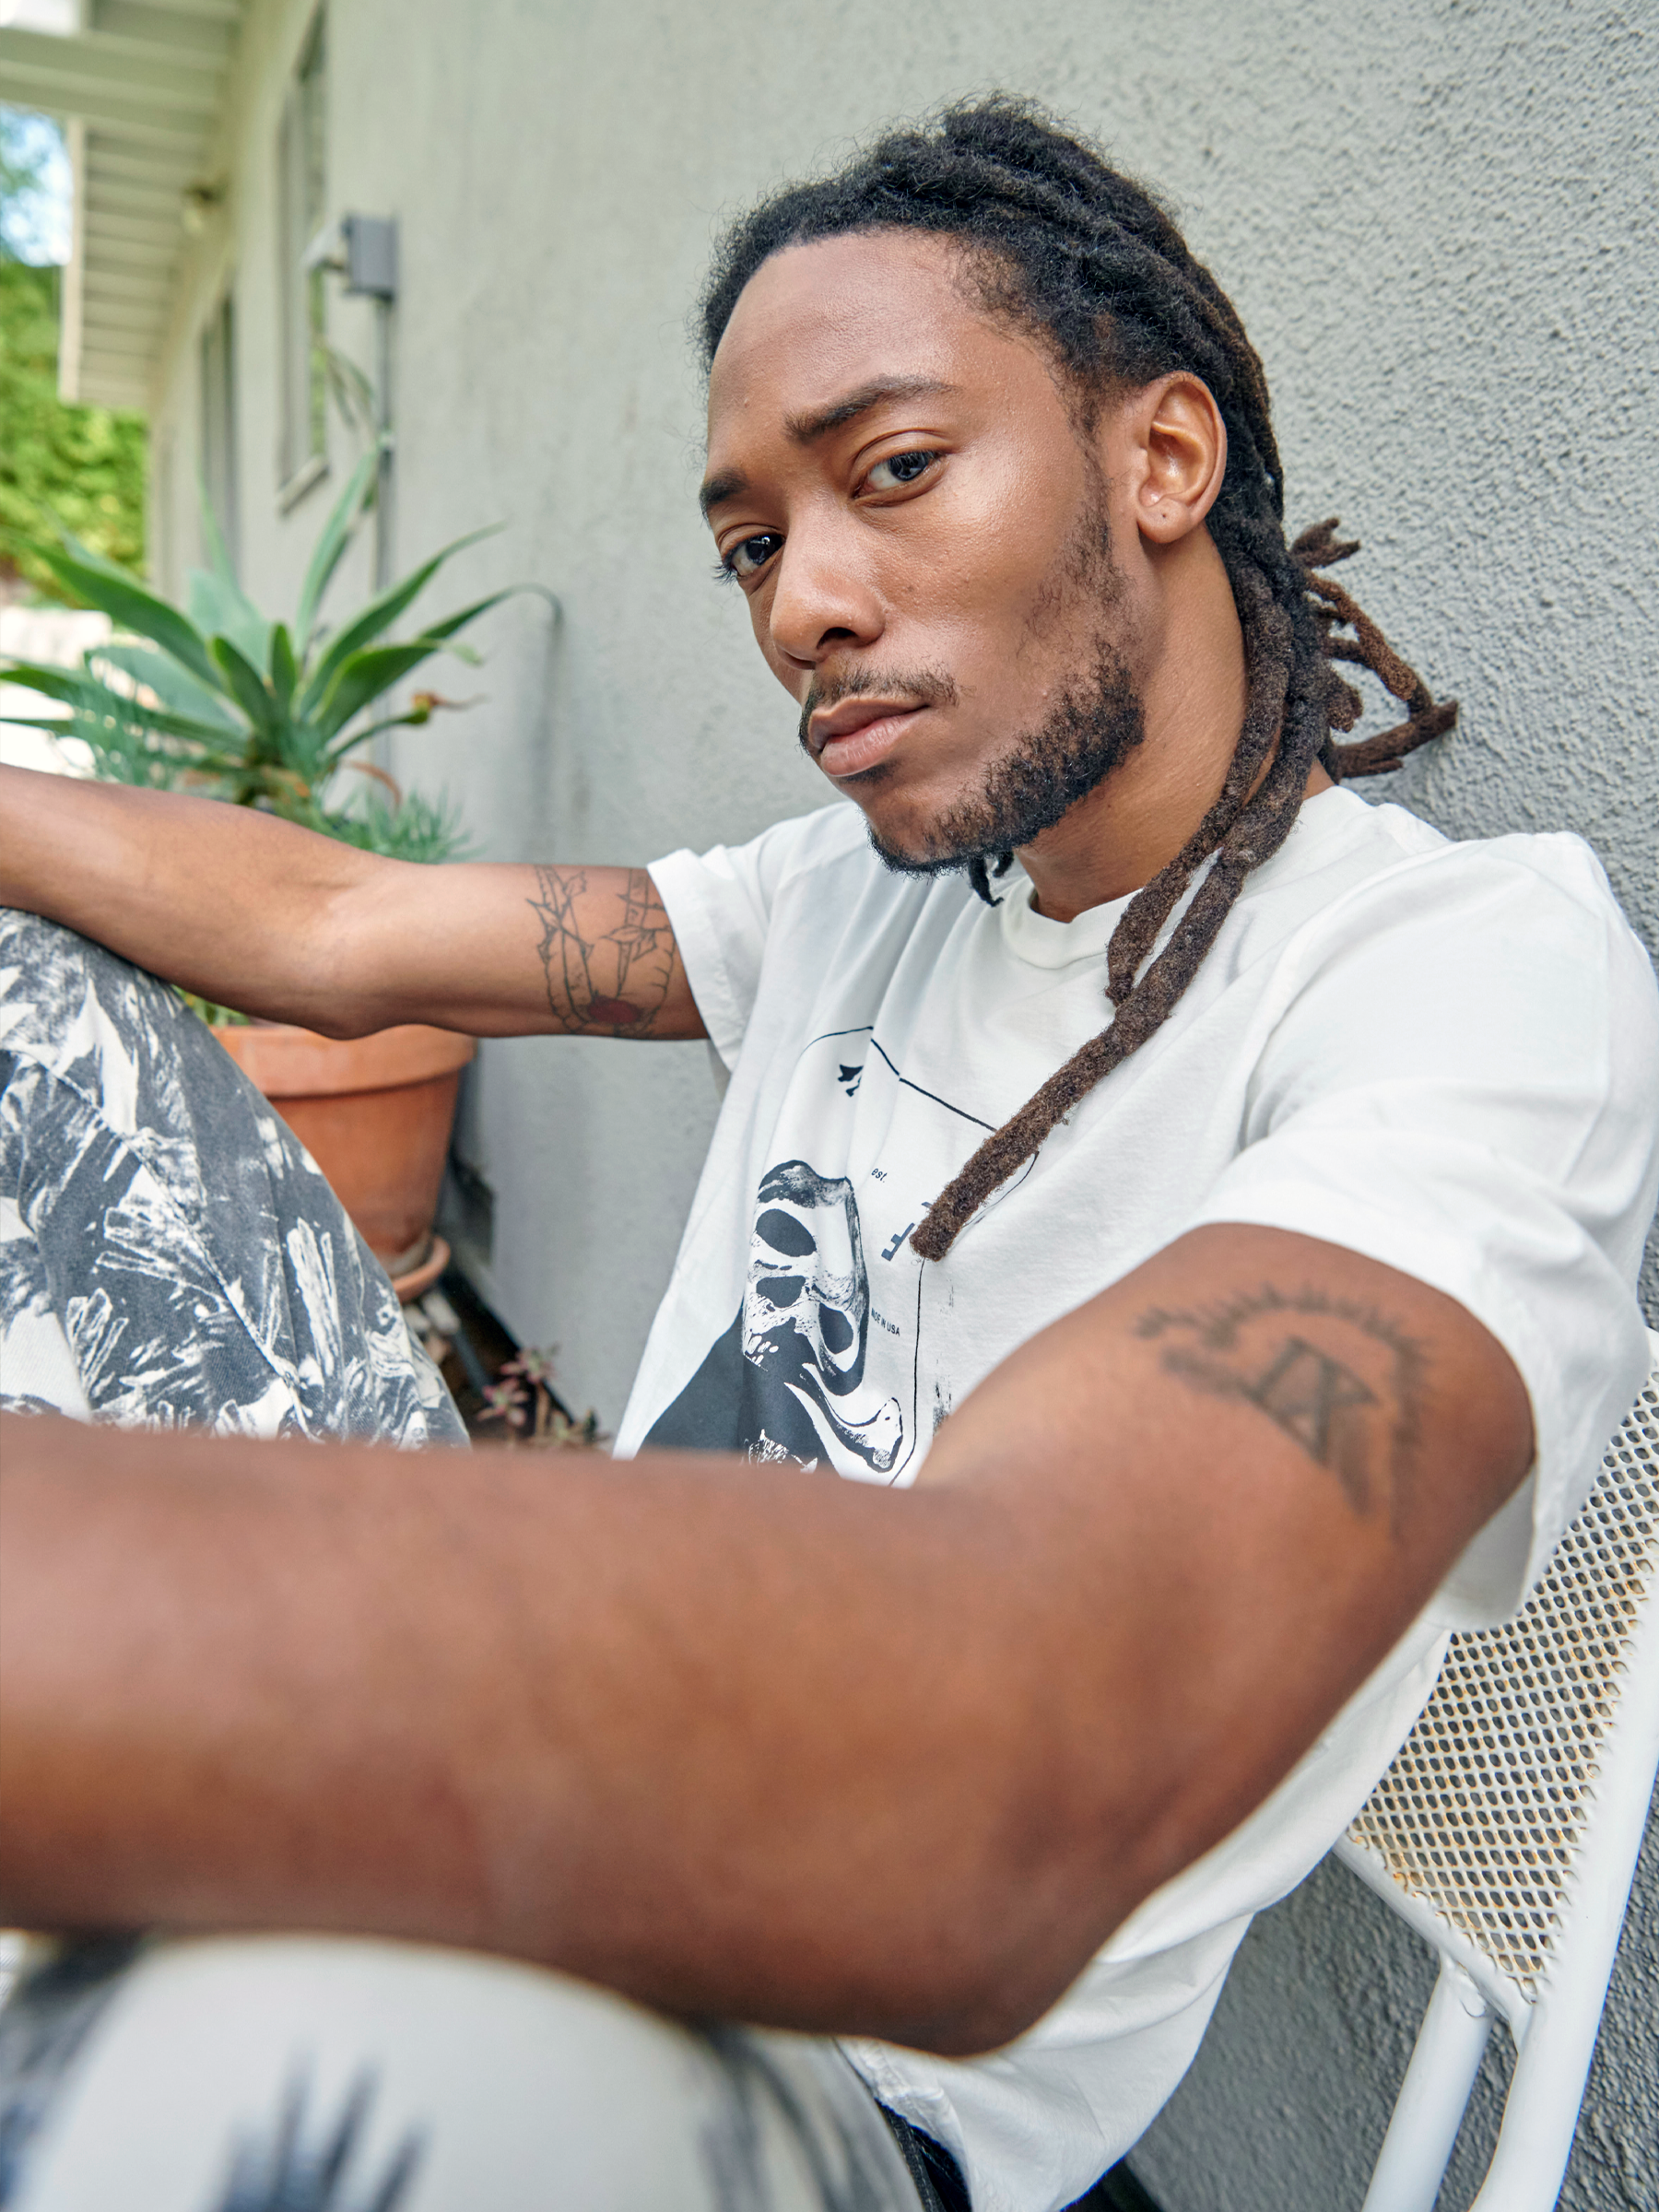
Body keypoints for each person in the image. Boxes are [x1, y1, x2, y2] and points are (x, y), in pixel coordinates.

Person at [1, 98, 1655, 2212]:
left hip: (835, 2075)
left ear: (1162, 458)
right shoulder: (855, 899)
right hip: (550, 1807)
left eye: (892, 473)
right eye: (754, 546)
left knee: (209, 2067)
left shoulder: (1469, 984)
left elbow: (1007, 1753)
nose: (803, 606)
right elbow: (333, 927)